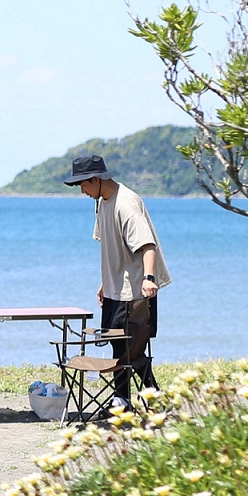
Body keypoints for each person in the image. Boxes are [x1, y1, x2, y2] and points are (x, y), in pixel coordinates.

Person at [63, 153, 172, 410]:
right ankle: (123, 398)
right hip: (115, 289)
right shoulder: (101, 202)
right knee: (117, 345)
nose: (82, 191)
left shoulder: (127, 204)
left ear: (95, 179)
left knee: (132, 350)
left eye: (82, 185)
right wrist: (105, 282)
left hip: (136, 291)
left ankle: (149, 398)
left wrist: (148, 278)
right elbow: (111, 248)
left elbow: (147, 245)